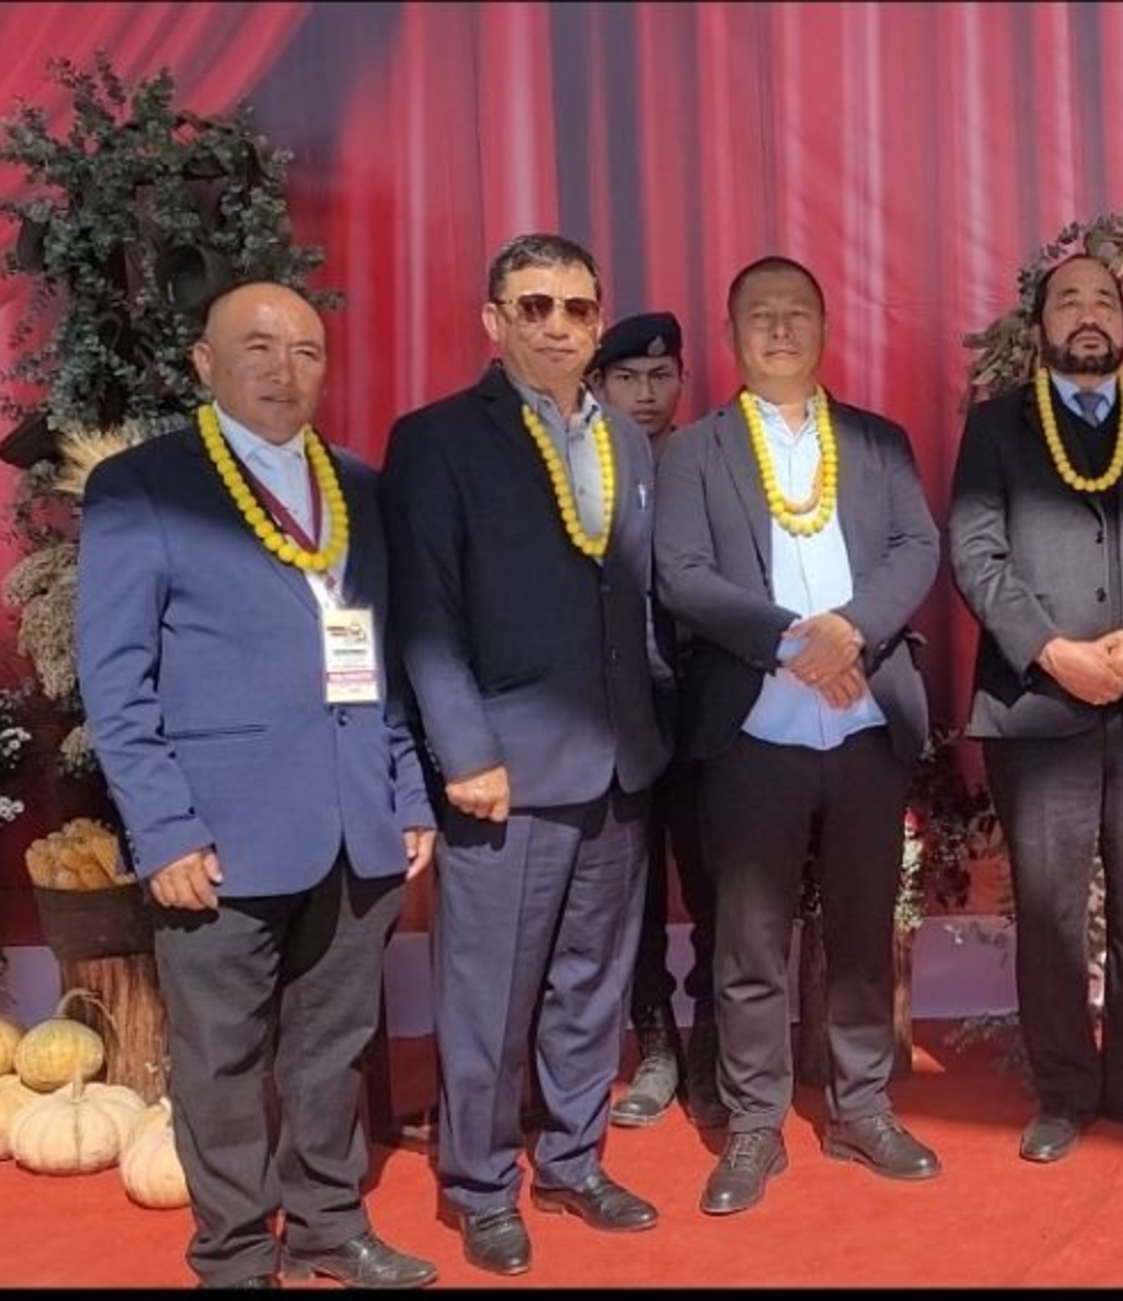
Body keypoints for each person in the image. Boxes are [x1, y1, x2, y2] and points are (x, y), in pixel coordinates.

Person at [76, 281, 439, 1289]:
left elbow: (381, 655)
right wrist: (163, 828)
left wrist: (408, 792)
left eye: (307, 351)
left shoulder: (357, 484)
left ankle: (327, 1224)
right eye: (259, 348)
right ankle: (233, 1253)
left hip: (358, 820)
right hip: (218, 837)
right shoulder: (144, 485)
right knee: (222, 1058)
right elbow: (115, 677)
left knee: (334, 1044)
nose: (285, 370)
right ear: (204, 362)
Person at [381, 233, 672, 1274]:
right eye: (534, 305)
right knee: (490, 995)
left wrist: (657, 723)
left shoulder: (627, 441)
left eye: (577, 307)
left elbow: (632, 596)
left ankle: (574, 1159)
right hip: (501, 774)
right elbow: (424, 610)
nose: (558, 325)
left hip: (620, 764)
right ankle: (479, 1183)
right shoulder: (437, 439)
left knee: (592, 984)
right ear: (493, 321)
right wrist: (463, 750)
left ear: (599, 321)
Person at [653, 255, 943, 1213]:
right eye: (761, 315)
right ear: (731, 335)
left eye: (797, 313)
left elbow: (918, 546)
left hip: (864, 723)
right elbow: (682, 574)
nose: (780, 329)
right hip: (753, 728)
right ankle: (754, 1123)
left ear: (824, 327)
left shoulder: (876, 440)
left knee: (861, 930)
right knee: (748, 937)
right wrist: (794, 644)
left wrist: (851, 630)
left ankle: (862, 1106)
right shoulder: (694, 452)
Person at [947, 253, 1123, 1164]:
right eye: (1066, 298)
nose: (1087, 312)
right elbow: (976, 553)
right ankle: (1065, 1089)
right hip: (1041, 703)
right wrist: (1051, 649)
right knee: (1049, 910)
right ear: (1040, 325)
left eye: (1104, 299)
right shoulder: (996, 427)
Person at [589, 310, 723, 1131]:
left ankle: (710, 1045)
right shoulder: (583, 466)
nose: (646, 393)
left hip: (706, 706)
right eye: (628, 378)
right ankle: (656, 1043)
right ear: (599, 385)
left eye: (661, 376)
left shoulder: (706, 460)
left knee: (714, 883)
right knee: (630, 890)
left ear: (682, 381)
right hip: (618, 713)